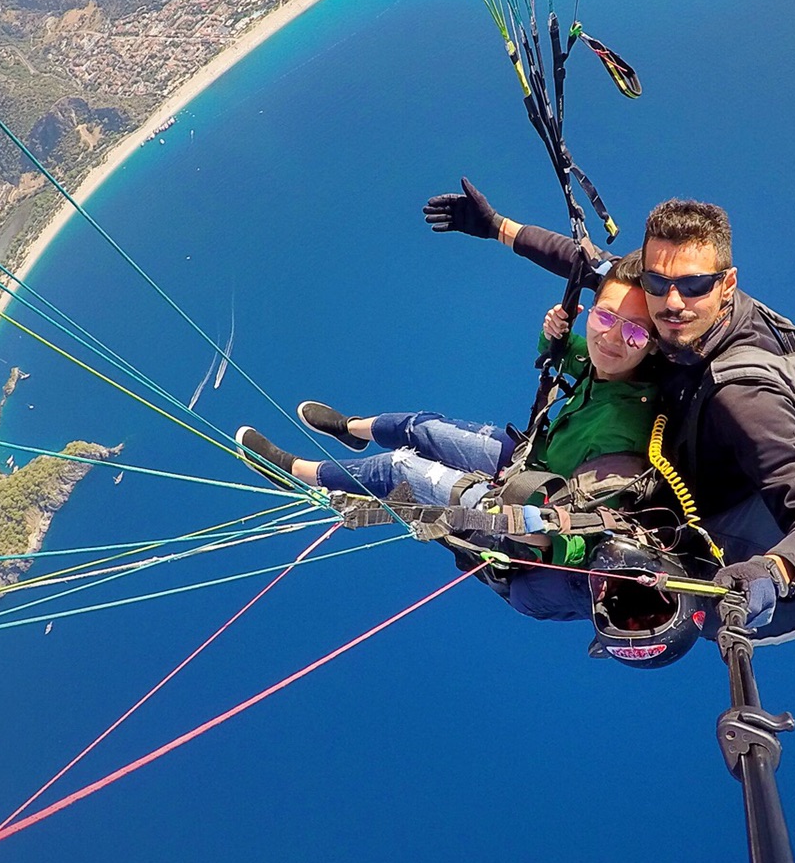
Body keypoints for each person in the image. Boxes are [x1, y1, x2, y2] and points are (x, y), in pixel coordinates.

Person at [423, 180, 795, 635]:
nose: (672, 302)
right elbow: (584, 263)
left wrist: (775, 572)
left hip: (676, 510)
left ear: (727, 285)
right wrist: (496, 226)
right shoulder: (654, 297)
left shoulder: (742, 391)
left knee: (530, 593)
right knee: (427, 434)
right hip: (638, 448)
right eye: (657, 283)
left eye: (694, 284)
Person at [234, 252, 663, 621]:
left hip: (530, 516)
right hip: (532, 463)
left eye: (634, 332)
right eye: (606, 316)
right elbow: (561, 352)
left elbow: (590, 537)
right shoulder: (607, 361)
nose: (612, 336)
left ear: (653, 346)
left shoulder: (624, 429)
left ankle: (292, 470)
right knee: (422, 428)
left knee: (400, 467)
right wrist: (552, 332)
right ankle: (351, 430)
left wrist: (533, 530)